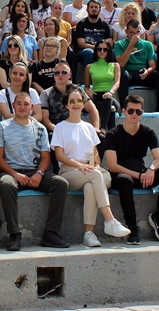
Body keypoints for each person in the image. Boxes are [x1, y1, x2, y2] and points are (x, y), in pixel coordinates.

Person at [51, 87, 131, 247]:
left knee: (90, 186)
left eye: (79, 101)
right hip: (69, 171)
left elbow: (95, 154)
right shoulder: (60, 127)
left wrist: (95, 167)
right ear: (66, 105)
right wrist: (81, 166)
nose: (75, 104)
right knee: (95, 176)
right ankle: (109, 220)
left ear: (83, 104)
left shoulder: (88, 127)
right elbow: (59, 156)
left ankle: (89, 234)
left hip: (89, 172)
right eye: (72, 101)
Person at [0, 92, 70, 251]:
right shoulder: (2, 127)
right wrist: (15, 174)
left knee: (61, 184)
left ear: (32, 107)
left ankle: (51, 233)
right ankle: (14, 234)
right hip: (11, 172)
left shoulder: (40, 128)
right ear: (13, 106)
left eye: (26, 104)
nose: (22, 107)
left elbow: (46, 158)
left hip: (35, 172)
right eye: (19, 103)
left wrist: (39, 174)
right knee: (7, 184)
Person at [104, 95, 159, 243]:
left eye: (138, 111)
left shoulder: (148, 132)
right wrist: (139, 175)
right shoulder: (113, 134)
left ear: (142, 113)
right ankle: (132, 230)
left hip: (142, 174)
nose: (134, 114)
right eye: (131, 111)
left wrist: (151, 169)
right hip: (121, 175)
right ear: (124, 111)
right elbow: (113, 166)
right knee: (125, 180)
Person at [114, 19, 159, 113]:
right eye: (132, 33)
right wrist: (131, 45)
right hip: (129, 73)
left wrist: (148, 71)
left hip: (144, 73)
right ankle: (124, 108)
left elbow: (152, 65)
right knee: (122, 74)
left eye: (137, 33)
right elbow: (121, 64)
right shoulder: (119, 44)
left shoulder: (147, 44)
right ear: (126, 32)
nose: (135, 36)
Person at [84, 40, 120, 133]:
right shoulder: (89, 67)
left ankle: (102, 128)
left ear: (109, 51)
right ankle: (112, 134)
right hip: (97, 96)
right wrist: (91, 94)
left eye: (105, 49)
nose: (102, 51)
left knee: (108, 100)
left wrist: (110, 92)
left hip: (111, 96)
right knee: (111, 109)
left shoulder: (115, 65)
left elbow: (117, 82)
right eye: (99, 49)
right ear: (96, 50)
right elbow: (86, 87)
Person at [75, 0, 112, 69]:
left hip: (102, 50)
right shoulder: (81, 24)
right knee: (89, 52)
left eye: (96, 7)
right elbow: (81, 44)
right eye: (91, 7)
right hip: (84, 51)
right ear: (87, 10)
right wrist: (97, 48)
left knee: (113, 52)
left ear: (99, 10)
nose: (94, 9)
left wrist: (101, 49)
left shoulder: (105, 25)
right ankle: (92, 75)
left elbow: (110, 43)